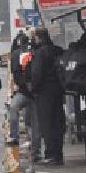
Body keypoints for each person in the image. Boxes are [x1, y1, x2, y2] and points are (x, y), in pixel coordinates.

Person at [29, 28, 65, 165]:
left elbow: (36, 74)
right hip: (58, 90)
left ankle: (50, 155)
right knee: (58, 123)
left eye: (35, 38)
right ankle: (59, 154)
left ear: (39, 38)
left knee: (47, 124)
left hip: (44, 93)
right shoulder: (58, 50)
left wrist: (34, 89)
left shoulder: (39, 53)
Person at [6, 34, 42, 160]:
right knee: (35, 123)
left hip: (24, 91)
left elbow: (14, 72)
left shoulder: (16, 54)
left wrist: (22, 85)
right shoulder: (36, 53)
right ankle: (36, 152)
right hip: (34, 93)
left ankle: (15, 136)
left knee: (13, 108)